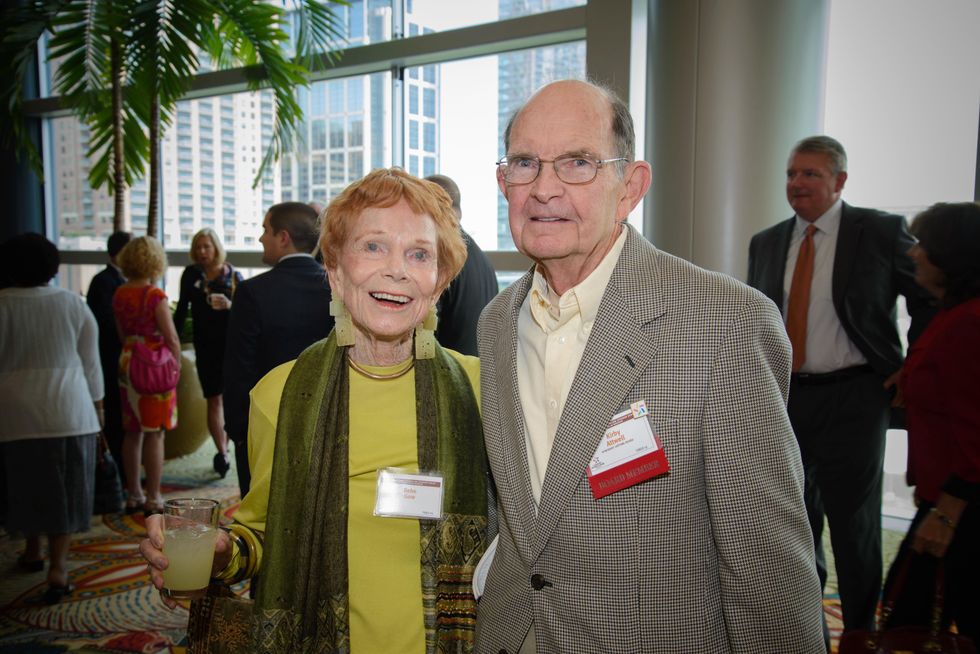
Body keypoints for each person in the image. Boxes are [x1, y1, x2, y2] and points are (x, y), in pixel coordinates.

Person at [476, 79, 823, 653]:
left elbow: (767, 563)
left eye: (578, 163)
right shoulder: (495, 323)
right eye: (525, 163)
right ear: (502, 181)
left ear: (630, 187)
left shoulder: (725, 323)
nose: (544, 189)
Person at [142, 168, 490, 652]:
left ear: (439, 281)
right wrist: (223, 553)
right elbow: (263, 534)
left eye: (419, 254)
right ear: (334, 269)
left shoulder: (483, 389)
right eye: (373, 246)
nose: (397, 269)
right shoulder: (279, 395)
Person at [747, 135, 935, 635]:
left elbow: (930, 297)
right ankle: (804, 621)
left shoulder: (878, 231)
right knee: (794, 517)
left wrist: (913, 364)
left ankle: (858, 631)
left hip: (857, 395)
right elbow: (758, 322)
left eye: (810, 173)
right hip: (787, 398)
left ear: (839, 181)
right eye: (791, 173)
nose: (796, 183)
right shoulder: (766, 242)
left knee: (854, 523)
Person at [882, 201, 980, 641]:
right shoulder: (954, 315)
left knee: (912, 622)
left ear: (954, 255)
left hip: (959, 510)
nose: (913, 253)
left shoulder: (968, 323)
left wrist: (946, 515)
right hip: (944, 502)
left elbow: (975, 430)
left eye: (924, 245)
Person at [0, 233, 103, 604]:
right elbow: (92, 367)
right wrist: (100, 414)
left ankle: (32, 550)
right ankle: (58, 568)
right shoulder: (73, 304)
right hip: (71, 410)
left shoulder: (2, 304)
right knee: (67, 492)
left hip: (14, 415)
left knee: (25, 486)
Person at [223, 202, 334, 497]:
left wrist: (238, 430)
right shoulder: (335, 289)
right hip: (323, 422)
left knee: (261, 512)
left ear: (283, 237)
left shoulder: (252, 292)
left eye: (265, 230)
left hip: (263, 424)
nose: (261, 238)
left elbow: (238, 367)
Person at [112, 236, 182, 516]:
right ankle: (153, 497)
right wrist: (175, 367)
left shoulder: (119, 294)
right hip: (154, 366)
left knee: (132, 432)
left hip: (128, 362)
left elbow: (121, 335)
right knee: (155, 433)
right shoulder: (155, 295)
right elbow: (172, 337)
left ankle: (133, 494)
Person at [172, 228, 242, 478]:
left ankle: (233, 446)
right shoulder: (191, 275)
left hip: (230, 345)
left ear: (216, 248)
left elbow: (245, 314)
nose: (202, 251)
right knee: (214, 399)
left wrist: (229, 305)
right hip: (205, 346)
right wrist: (174, 343)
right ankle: (222, 452)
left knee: (230, 398)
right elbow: (181, 309)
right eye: (198, 247)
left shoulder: (233, 276)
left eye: (206, 246)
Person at [425, 174, 498, 356]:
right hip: (477, 375)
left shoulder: (442, 256)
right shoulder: (484, 263)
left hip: (446, 377)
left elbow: (425, 335)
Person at [87, 231, 131, 483]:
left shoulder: (128, 281)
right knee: (115, 417)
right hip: (111, 359)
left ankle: (128, 473)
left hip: (128, 360)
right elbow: (103, 324)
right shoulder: (102, 282)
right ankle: (118, 475)